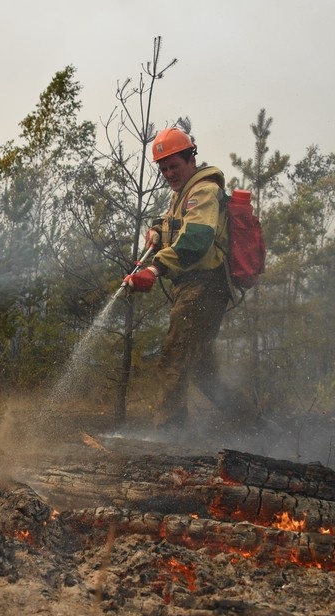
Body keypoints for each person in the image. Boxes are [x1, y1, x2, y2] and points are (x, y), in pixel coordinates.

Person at [123, 127, 232, 430]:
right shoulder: (184, 193)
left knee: (174, 358)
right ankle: (255, 424)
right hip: (195, 286)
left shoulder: (204, 191)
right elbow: (178, 223)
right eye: (164, 168)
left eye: (175, 166)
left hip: (205, 286)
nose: (169, 173)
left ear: (191, 159)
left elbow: (197, 239)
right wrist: (158, 230)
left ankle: (169, 439)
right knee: (202, 372)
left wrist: (155, 269)